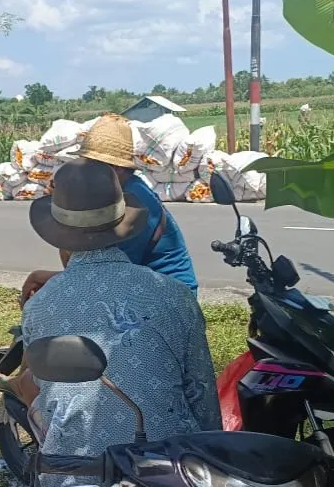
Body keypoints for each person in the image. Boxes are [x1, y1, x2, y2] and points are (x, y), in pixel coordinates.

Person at [20, 158, 222, 487]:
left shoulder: (40, 305)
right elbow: (201, 395)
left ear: (59, 233)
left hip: (74, 475)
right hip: (169, 470)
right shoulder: (173, 295)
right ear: (122, 220)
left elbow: (45, 391)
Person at [22, 113, 198, 302]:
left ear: (119, 168)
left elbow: (103, 278)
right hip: (136, 286)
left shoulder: (136, 203)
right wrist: (64, 207)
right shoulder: (111, 194)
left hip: (168, 296)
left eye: (94, 164)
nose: (87, 169)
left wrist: (42, 278)